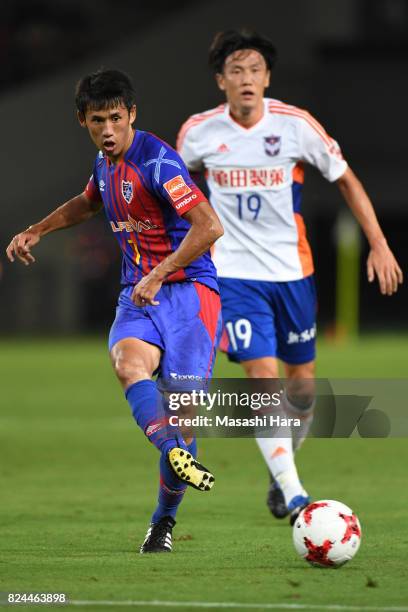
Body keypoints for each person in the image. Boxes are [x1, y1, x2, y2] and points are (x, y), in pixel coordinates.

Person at [177, 29, 403, 524]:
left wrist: (380, 243)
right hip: (233, 277)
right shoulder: (198, 133)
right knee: (264, 379)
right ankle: (295, 494)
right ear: (221, 81)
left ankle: (283, 468)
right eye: (236, 71)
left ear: (268, 77)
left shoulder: (296, 125)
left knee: (302, 389)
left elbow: (345, 178)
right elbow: (175, 188)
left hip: (293, 273)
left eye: (255, 70)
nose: (246, 79)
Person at [6, 69, 224, 553]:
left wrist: (158, 272)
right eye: (97, 119)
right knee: (127, 365)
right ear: (83, 120)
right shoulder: (105, 165)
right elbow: (88, 203)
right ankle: (174, 452)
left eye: (116, 119)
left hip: (189, 295)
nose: (108, 129)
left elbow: (209, 227)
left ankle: (162, 525)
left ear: (132, 116)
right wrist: (38, 229)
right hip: (138, 296)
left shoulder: (158, 162)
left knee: (183, 416)